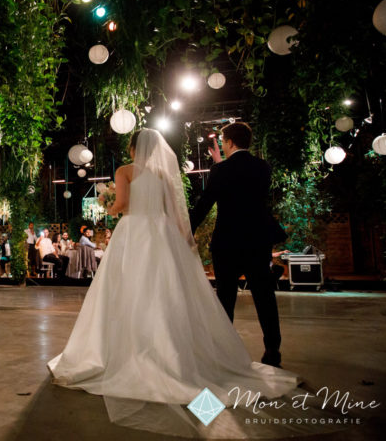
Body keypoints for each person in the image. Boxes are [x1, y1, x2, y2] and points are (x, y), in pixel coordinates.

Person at [48, 129, 298, 436]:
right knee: (176, 294)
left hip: (143, 235)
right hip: (180, 236)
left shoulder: (127, 171)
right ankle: (255, 351)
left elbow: (126, 204)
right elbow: (175, 211)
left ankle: (136, 349)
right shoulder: (178, 175)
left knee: (135, 293)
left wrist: (108, 204)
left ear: (132, 147)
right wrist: (185, 240)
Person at [190, 121, 287, 367]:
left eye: (223, 141)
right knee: (264, 295)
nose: (222, 144)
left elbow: (205, 204)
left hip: (228, 241)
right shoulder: (262, 167)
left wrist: (186, 229)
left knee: (226, 297)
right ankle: (272, 350)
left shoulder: (220, 171)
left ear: (229, 142)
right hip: (257, 239)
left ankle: (224, 351)